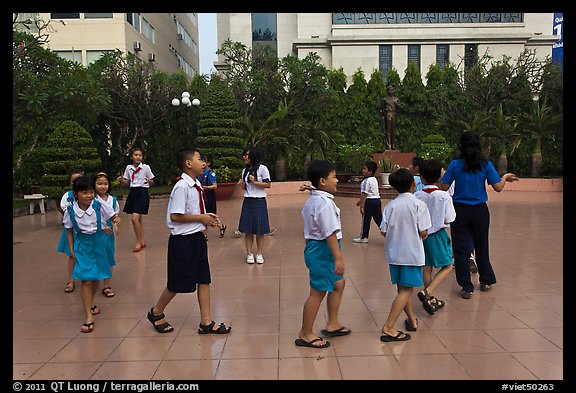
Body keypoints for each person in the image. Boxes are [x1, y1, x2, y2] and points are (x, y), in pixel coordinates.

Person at [147, 148, 231, 335]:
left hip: (197, 239)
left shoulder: (196, 185)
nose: (203, 163)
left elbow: (194, 211)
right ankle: (156, 312)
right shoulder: (182, 186)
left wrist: (208, 218)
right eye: (200, 159)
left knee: (204, 279)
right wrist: (201, 218)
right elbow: (176, 216)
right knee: (177, 282)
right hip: (183, 241)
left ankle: (206, 322)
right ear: (188, 163)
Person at [439, 131, 518, 299]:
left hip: (459, 210)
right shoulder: (486, 165)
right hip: (480, 211)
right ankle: (486, 280)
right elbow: (498, 187)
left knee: (460, 250)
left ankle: (466, 287)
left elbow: (444, 187)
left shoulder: (455, 165)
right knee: (482, 245)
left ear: (461, 145)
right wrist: (504, 177)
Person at [296, 160, 350, 349]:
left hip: (320, 248)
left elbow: (315, 189)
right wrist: (338, 257)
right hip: (323, 250)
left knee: (338, 283)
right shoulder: (324, 204)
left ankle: (332, 323)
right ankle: (306, 333)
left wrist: (310, 187)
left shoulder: (317, 198)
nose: (337, 180)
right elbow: (330, 233)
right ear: (323, 181)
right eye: (333, 177)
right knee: (317, 293)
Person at [379, 168, 431, 342]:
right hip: (412, 254)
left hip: (394, 254)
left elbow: (383, 231)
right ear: (414, 184)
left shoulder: (390, 206)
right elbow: (424, 231)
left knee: (403, 289)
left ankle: (411, 320)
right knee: (407, 290)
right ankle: (389, 326)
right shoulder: (418, 205)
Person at [63, 175, 120, 333]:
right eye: (84, 193)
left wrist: (115, 223)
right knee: (86, 280)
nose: (89, 196)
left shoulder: (99, 205)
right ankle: (88, 315)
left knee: (96, 279)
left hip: (99, 243)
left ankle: (91, 301)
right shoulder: (70, 210)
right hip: (83, 245)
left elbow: (114, 217)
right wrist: (72, 248)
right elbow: (68, 230)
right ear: (76, 194)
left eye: (90, 192)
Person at [414, 159, 456, 316]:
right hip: (437, 234)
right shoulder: (444, 196)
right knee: (448, 266)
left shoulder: (417, 195)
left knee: (427, 267)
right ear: (439, 176)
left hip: (421, 235)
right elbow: (449, 219)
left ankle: (431, 300)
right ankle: (428, 292)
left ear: (421, 177)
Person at [238, 147, 272, 264]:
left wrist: (255, 181)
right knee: (248, 229)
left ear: (253, 156)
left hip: (259, 200)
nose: (244, 157)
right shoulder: (244, 171)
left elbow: (268, 185)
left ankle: (260, 253)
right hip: (248, 201)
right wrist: (242, 184)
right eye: (244, 155)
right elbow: (246, 188)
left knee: (260, 230)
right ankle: (249, 254)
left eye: (247, 155)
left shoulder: (263, 169)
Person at [117, 147, 154, 253]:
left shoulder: (146, 168)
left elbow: (152, 180)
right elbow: (128, 182)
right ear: (131, 156)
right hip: (133, 192)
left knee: (134, 218)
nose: (138, 157)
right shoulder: (128, 168)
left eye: (140, 155)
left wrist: (149, 181)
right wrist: (121, 180)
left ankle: (138, 241)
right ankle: (142, 239)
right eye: (136, 155)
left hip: (142, 192)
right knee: (139, 219)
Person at [57, 169, 84, 293]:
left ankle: (90, 278)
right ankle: (71, 280)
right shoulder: (67, 196)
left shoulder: (88, 195)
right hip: (72, 230)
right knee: (72, 255)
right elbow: (66, 210)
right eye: (74, 181)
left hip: (86, 231)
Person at [93, 172, 120, 298]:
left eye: (105, 184)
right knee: (97, 256)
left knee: (109, 257)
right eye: (99, 184)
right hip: (96, 232)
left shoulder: (113, 200)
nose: (102, 186)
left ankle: (106, 285)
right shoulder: (91, 199)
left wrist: (116, 224)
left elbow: (115, 216)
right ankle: (94, 281)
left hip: (109, 233)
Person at [353, 161, 382, 244]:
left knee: (366, 219)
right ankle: (387, 232)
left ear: (370, 171)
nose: (363, 170)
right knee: (379, 219)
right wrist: (360, 201)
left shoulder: (366, 181)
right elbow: (371, 192)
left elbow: (364, 195)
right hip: (377, 200)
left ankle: (364, 237)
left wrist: (362, 206)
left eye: (365, 169)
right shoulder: (374, 179)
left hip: (369, 202)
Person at [199, 155, 227, 239]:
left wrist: (205, 187)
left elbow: (215, 186)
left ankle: (206, 234)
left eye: (204, 161)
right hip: (202, 195)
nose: (202, 163)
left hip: (209, 196)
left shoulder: (211, 173)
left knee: (210, 214)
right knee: (204, 213)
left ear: (209, 163)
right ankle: (220, 227)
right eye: (201, 161)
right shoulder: (200, 172)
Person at [381, 86, 400, 150]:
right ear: (387, 91)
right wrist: (382, 116)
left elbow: (400, 107)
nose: (391, 92)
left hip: (394, 114)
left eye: (392, 90)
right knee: (388, 130)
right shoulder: (385, 99)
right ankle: (388, 145)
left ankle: (393, 145)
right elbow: (382, 108)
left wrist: (397, 105)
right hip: (388, 114)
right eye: (389, 90)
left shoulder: (396, 99)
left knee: (393, 130)